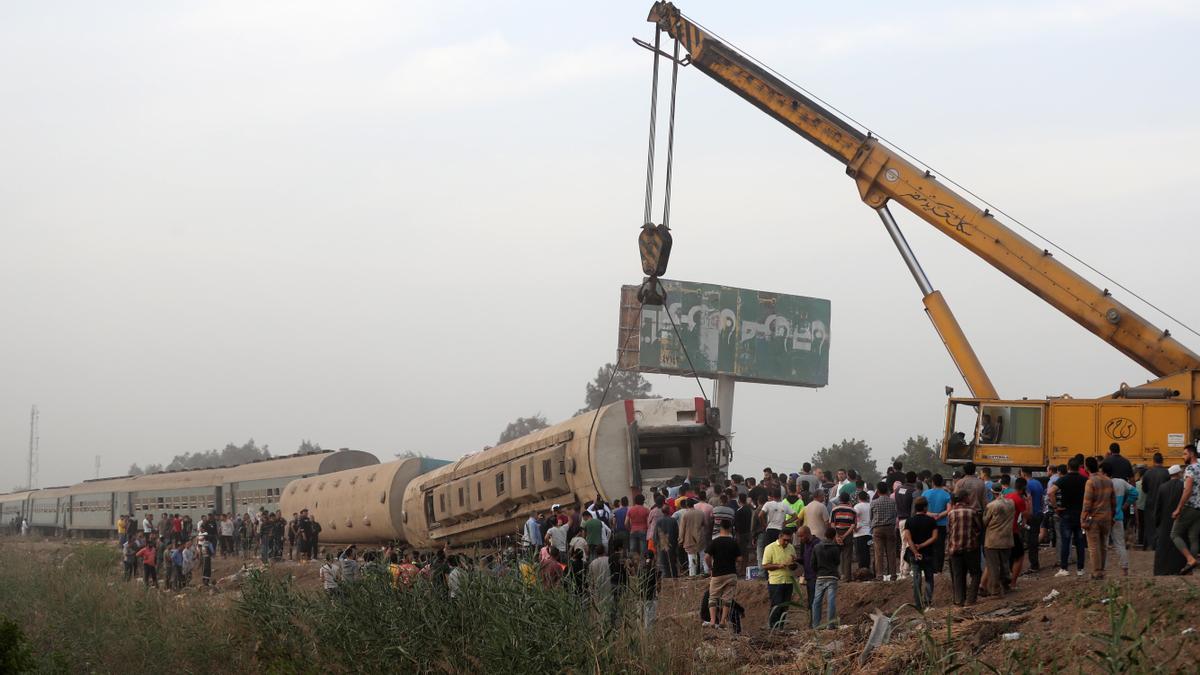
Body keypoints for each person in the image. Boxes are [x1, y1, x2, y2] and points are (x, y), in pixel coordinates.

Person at [1050, 458, 1088, 577]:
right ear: (1079, 467)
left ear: (1068, 467)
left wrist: (1056, 507)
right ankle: (1080, 569)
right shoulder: (1085, 480)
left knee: (1065, 541)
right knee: (1080, 542)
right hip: (1081, 514)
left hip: (1066, 514)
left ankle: (1064, 568)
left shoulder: (1063, 479)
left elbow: (1050, 492)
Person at [703, 519, 741, 629]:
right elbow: (739, 558)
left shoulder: (715, 542)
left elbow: (706, 557)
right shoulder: (734, 542)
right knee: (727, 598)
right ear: (730, 528)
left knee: (712, 597)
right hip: (731, 574)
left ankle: (713, 620)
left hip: (717, 573)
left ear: (720, 528)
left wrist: (710, 567)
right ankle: (723, 620)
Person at [946, 490, 982, 606]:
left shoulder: (951, 513)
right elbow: (979, 528)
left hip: (954, 549)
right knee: (976, 573)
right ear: (965, 498)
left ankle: (959, 600)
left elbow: (949, 530)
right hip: (970, 548)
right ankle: (971, 599)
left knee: (958, 575)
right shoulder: (972, 511)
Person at [1082, 456, 1116, 580]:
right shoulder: (1108, 480)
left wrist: (1083, 518)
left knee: (1093, 546)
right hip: (1106, 517)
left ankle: (1096, 572)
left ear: (1086, 467)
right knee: (1103, 545)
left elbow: (1087, 503)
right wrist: (1112, 515)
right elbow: (1113, 501)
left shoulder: (1090, 482)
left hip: (1093, 518)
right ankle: (1102, 569)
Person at [903, 497, 939, 609]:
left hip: (914, 555)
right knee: (929, 578)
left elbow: (908, 539)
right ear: (925, 507)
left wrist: (915, 551)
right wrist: (922, 545)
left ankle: (918, 604)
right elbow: (935, 537)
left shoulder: (909, 521)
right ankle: (927, 602)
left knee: (916, 579)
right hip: (928, 554)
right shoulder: (931, 521)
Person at [1154, 465, 1187, 575]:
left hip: (1164, 521)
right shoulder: (1184, 486)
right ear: (1178, 474)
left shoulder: (1162, 487)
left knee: (1163, 546)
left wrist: (1157, 522)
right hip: (1180, 519)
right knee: (1178, 545)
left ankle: (1161, 570)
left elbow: (1158, 507)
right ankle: (1179, 569)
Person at [982, 483, 1014, 596]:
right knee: (1005, 564)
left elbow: (985, 522)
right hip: (1007, 539)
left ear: (992, 492)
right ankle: (1006, 586)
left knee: (993, 566)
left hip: (993, 540)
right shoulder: (1011, 503)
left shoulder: (991, 505)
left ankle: (995, 590)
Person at [1172, 444, 1200, 574]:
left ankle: (1190, 559)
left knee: (1175, 534)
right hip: (1199, 509)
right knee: (1193, 537)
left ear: (1191, 454)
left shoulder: (1190, 468)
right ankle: (1190, 570)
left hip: (1189, 507)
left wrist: (1179, 508)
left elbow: (1187, 490)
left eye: (1185, 454)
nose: (1183, 457)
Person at [762, 528, 797, 629]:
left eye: (788, 540)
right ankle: (772, 627)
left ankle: (780, 627)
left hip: (788, 581)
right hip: (775, 582)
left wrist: (793, 564)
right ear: (780, 537)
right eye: (784, 540)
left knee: (785, 607)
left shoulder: (791, 548)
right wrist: (779, 566)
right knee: (776, 605)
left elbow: (794, 566)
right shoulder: (770, 548)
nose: (786, 542)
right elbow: (765, 565)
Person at [811, 528, 841, 629]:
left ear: (825, 534)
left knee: (816, 601)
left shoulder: (817, 547)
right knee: (831, 600)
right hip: (832, 576)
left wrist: (818, 572)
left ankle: (816, 625)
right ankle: (830, 625)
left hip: (820, 576)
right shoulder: (835, 548)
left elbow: (813, 564)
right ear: (833, 536)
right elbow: (837, 562)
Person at [923, 475, 952, 573]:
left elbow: (922, 510)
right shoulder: (946, 495)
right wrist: (939, 515)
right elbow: (949, 509)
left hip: (927, 524)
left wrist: (931, 514)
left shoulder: (926, 493)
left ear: (932, 483)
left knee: (928, 545)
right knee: (940, 547)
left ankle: (929, 568)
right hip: (941, 524)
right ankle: (939, 569)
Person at [871, 481, 899, 581]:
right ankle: (893, 575)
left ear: (877, 491)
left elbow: (871, 517)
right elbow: (896, 514)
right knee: (891, 552)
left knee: (878, 553)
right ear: (887, 490)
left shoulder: (874, 502)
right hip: (890, 528)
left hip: (877, 529)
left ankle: (879, 575)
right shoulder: (893, 502)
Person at [1141, 453, 1170, 550]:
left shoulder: (1148, 473)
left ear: (1153, 461)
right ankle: (1160, 544)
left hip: (1150, 501)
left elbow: (1144, 489)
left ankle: (1150, 544)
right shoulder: (1167, 473)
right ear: (1162, 461)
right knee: (1162, 523)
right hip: (1163, 502)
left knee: (1149, 524)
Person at [1018, 468, 1044, 571]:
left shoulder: (1027, 485)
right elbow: (1041, 498)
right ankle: (1034, 563)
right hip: (1039, 513)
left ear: (1023, 474)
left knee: (1031, 541)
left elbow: (1028, 500)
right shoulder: (1038, 483)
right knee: (1034, 539)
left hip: (1032, 515)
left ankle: (1034, 565)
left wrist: (1027, 516)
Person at [830, 493, 858, 582]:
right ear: (848, 500)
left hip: (837, 533)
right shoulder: (852, 511)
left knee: (835, 556)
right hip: (848, 534)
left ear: (840, 500)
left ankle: (836, 575)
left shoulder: (834, 510)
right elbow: (853, 525)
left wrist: (837, 536)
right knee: (847, 556)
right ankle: (847, 577)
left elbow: (832, 524)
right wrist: (845, 535)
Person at [853, 490, 872, 574]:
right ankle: (867, 569)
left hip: (859, 533)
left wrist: (855, 528)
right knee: (867, 552)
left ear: (858, 498)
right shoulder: (870, 505)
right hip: (869, 533)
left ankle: (861, 571)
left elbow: (854, 518)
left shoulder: (857, 506)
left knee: (860, 553)